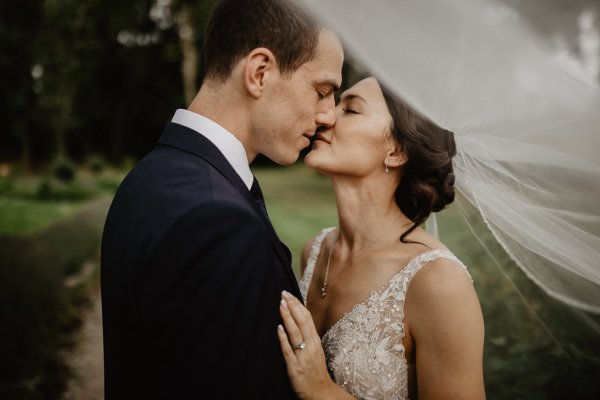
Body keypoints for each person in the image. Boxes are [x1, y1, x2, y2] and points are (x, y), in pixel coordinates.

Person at [100, 0, 343, 398]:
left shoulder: (148, 177)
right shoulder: (219, 223)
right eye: (321, 91)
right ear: (259, 73)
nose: (328, 115)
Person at [276, 77, 486, 399]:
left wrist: (321, 390)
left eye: (351, 110)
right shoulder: (316, 251)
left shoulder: (438, 282)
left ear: (397, 151)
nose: (326, 116)